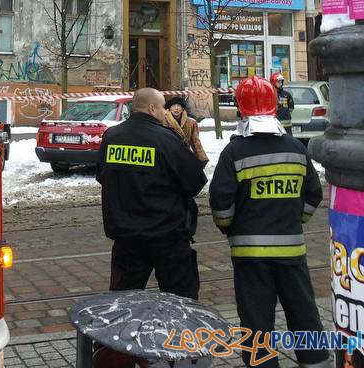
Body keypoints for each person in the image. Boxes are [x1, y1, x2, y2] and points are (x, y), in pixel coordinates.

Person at [210, 76, 329, 368]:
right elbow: (314, 194)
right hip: (292, 251)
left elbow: (221, 204)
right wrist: (295, 221)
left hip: (249, 254)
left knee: (256, 320)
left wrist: (230, 228)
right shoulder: (296, 148)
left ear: (240, 109)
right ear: (275, 106)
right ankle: (316, 362)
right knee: (304, 312)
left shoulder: (234, 152)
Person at [96, 87, 207, 300]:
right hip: (167, 236)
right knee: (180, 301)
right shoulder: (167, 139)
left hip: (126, 237)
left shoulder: (111, 137)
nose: (166, 112)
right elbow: (195, 182)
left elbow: (102, 176)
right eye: (163, 107)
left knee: (123, 301)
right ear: (152, 108)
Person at [163, 95, 209, 165]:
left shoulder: (191, 123)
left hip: (184, 155)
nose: (176, 108)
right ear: (169, 108)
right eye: (173, 106)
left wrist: (202, 159)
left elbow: (195, 142)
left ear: (182, 109)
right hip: (168, 156)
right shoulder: (163, 121)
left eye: (179, 106)